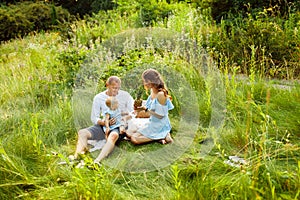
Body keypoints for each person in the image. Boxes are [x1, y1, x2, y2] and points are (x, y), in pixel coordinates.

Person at [73, 76, 134, 163]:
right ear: (107, 85)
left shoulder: (125, 96)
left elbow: (133, 112)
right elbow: (94, 118)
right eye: (113, 88)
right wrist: (105, 123)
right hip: (103, 125)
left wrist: (124, 119)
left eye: (118, 88)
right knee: (82, 132)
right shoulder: (99, 98)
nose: (116, 91)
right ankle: (76, 157)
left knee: (113, 136)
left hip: (118, 126)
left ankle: (97, 161)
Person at [127, 68, 174, 145]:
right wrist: (139, 109)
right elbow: (151, 110)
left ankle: (161, 136)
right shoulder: (152, 90)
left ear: (152, 80)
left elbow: (160, 116)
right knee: (129, 133)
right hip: (152, 122)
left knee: (134, 139)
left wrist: (145, 109)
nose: (144, 83)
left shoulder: (160, 94)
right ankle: (161, 137)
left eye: (146, 81)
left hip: (160, 124)